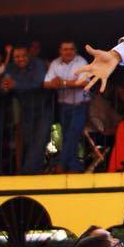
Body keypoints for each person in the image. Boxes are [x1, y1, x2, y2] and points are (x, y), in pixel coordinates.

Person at [1, 46, 52, 175]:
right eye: (17, 57)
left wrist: (16, 84)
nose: (20, 59)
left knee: (40, 140)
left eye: (23, 56)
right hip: (26, 109)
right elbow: (5, 85)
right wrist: (5, 88)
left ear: (28, 56)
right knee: (29, 140)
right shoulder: (10, 68)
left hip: (43, 107)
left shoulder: (38, 64)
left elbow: (38, 83)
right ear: (13, 58)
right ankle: (34, 171)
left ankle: (27, 172)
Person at [43, 41, 89, 173]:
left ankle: (61, 165)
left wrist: (62, 82)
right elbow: (46, 83)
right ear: (60, 51)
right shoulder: (55, 63)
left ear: (75, 51)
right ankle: (74, 168)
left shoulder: (81, 62)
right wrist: (54, 83)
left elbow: (84, 81)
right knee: (68, 135)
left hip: (80, 105)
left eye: (71, 49)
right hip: (63, 106)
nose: (68, 52)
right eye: (65, 49)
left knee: (73, 133)